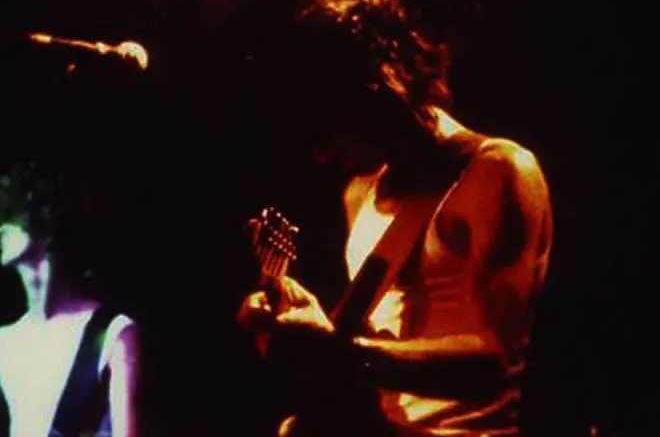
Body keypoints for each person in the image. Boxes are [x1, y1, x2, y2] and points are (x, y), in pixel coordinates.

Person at [237, 41, 554, 437]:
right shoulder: (358, 193)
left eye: (327, 127)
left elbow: (489, 367)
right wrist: (304, 326)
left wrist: (340, 351)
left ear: (375, 95)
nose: (321, 154)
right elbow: (383, 349)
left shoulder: (500, 169)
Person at [0, 161, 140, 437]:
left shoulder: (112, 332)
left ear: (47, 221)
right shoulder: (0, 343)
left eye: (14, 213)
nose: (0, 228)